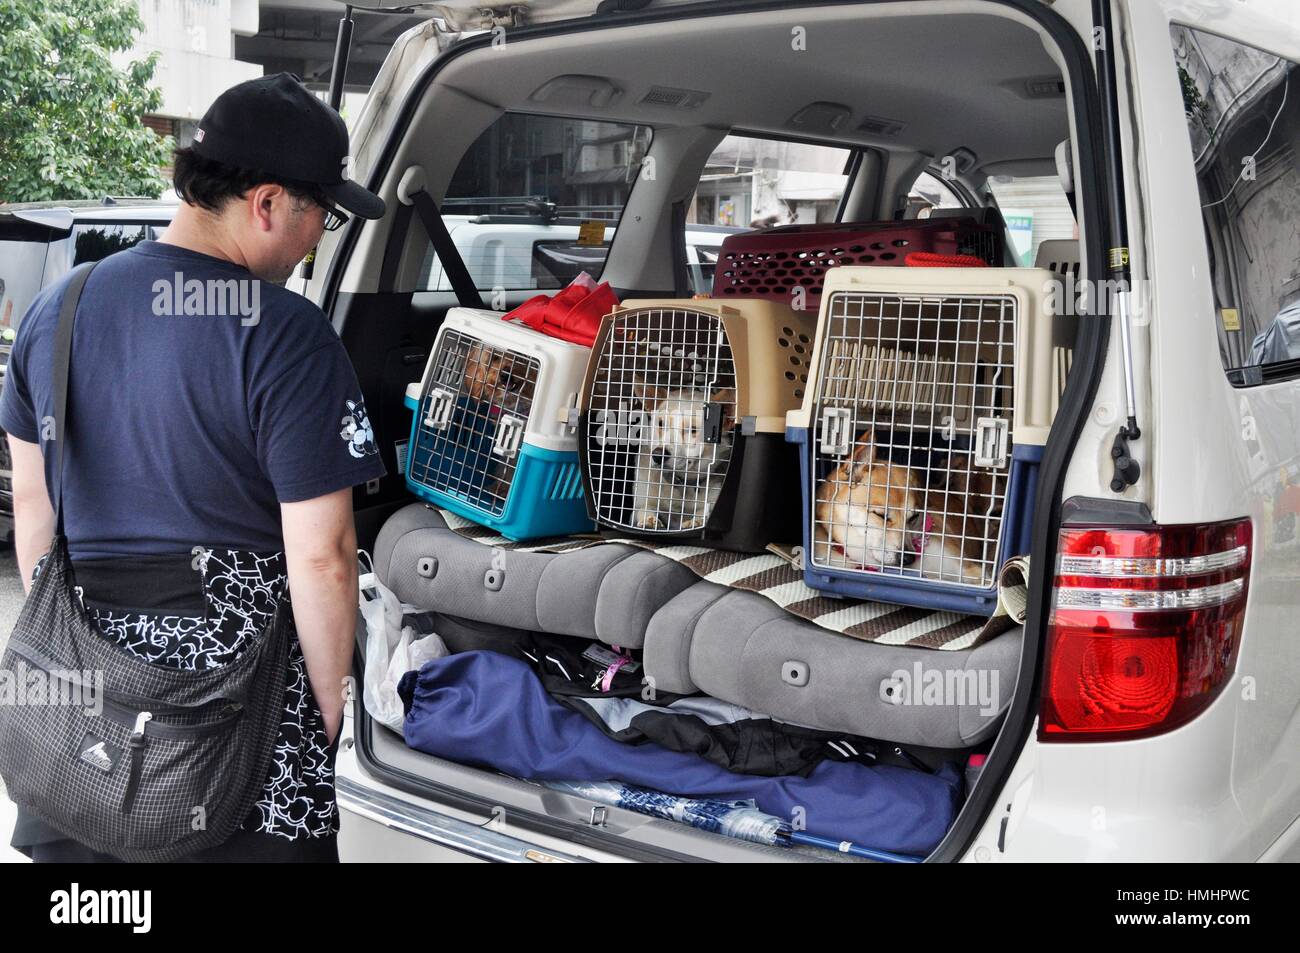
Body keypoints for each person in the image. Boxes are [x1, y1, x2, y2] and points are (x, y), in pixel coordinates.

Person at [0, 73, 387, 862]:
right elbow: (323, 556)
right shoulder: (286, 335)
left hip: (82, 729)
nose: (319, 235)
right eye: (324, 212)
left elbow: (37, 521)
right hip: (234, 733)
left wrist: (81, 660)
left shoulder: (56, 312)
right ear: (269, 201)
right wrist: (322, 713)